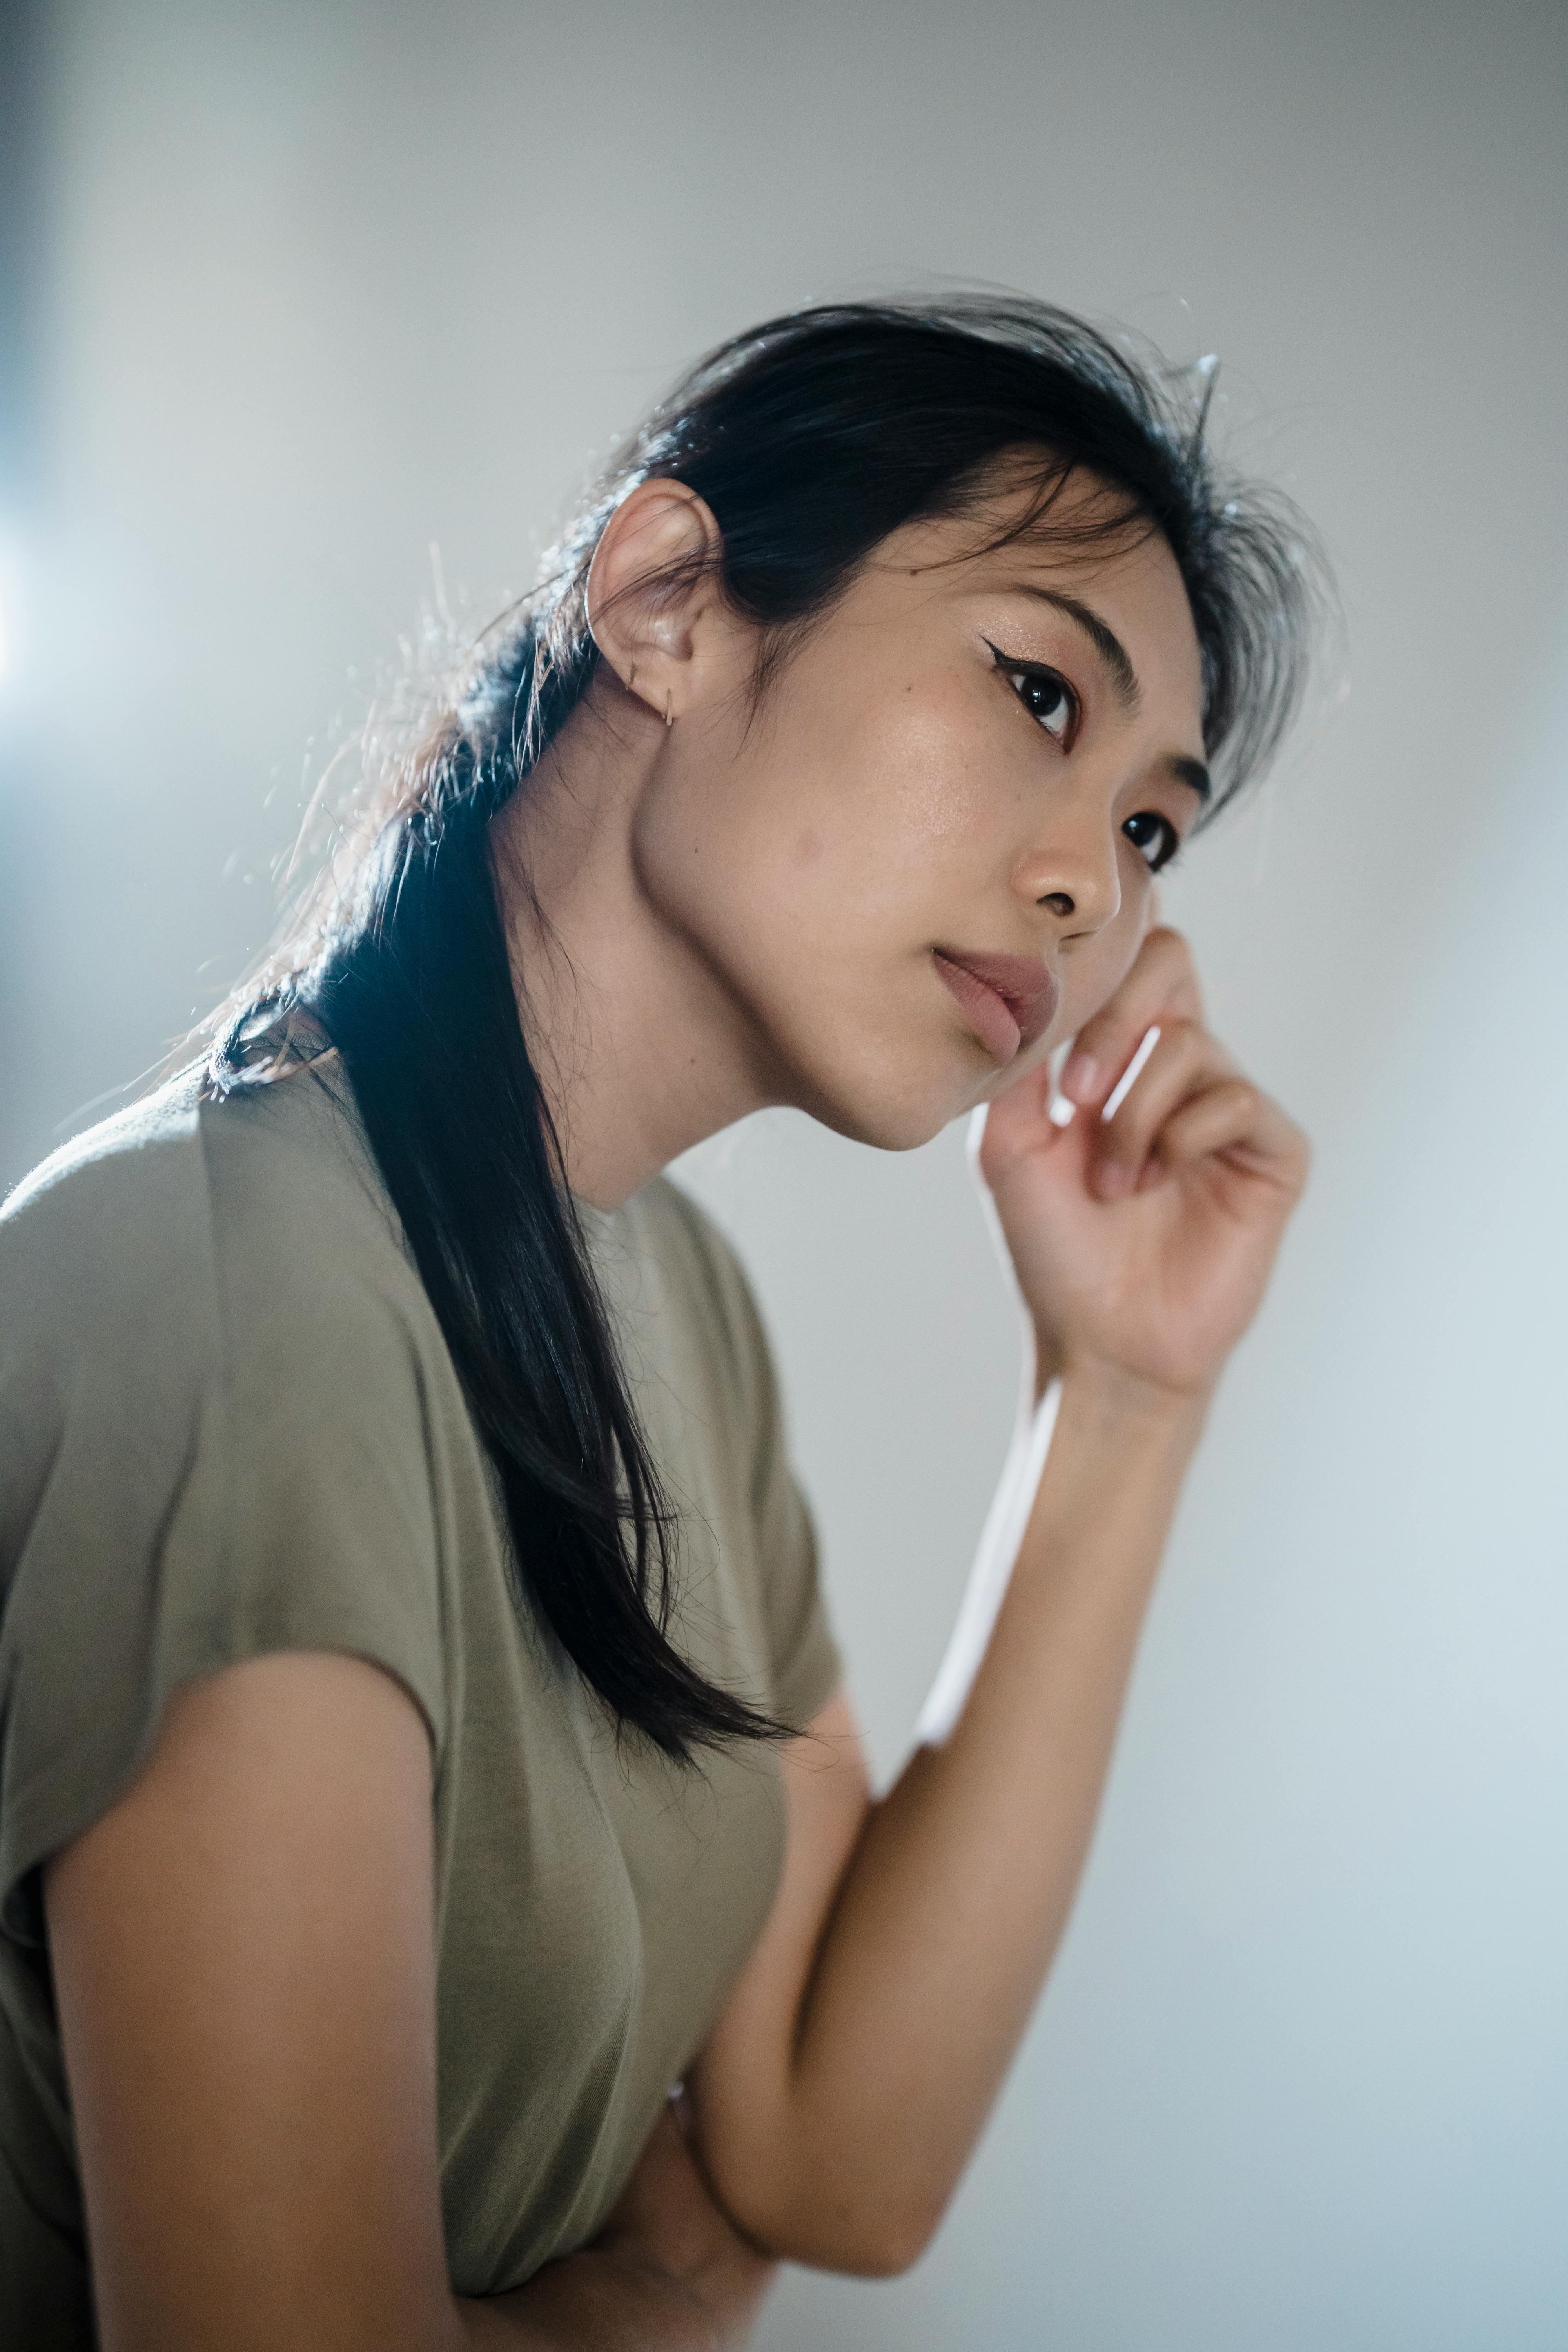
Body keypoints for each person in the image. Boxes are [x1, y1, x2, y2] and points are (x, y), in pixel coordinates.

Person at [0, 296, 1321, 2350]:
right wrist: (637, 2303)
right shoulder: (232, 1287)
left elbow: (829, 2160)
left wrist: (1127, 1395)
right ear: (667, 598)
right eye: (1042, 694)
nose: (1099, 894)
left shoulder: (669, 1308)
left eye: (1152, 826)